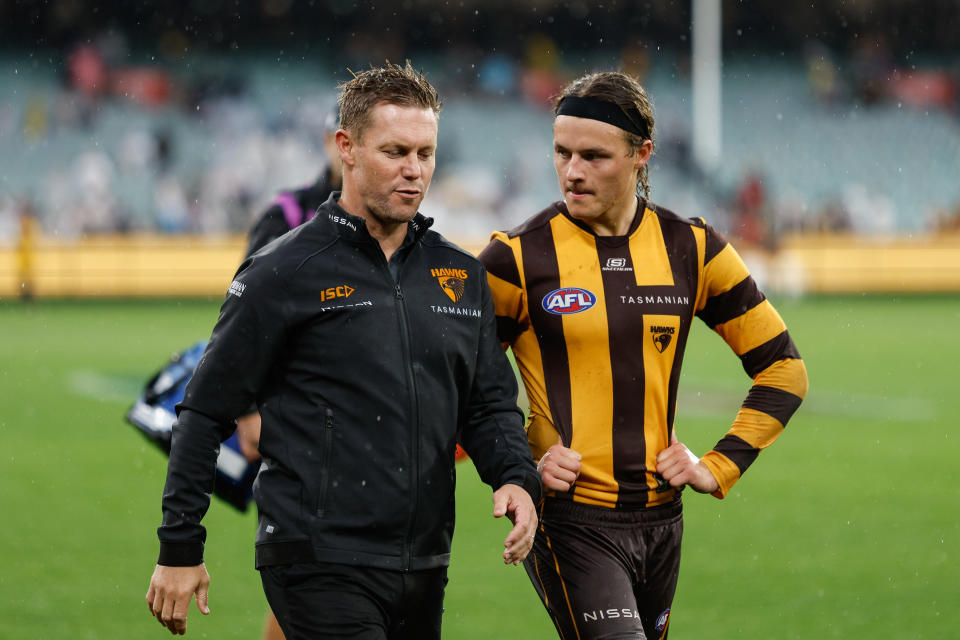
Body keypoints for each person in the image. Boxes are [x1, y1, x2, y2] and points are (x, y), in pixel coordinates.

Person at [145, 61, 541, 638]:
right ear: (346, 148)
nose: (414, 171)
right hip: (315, 557)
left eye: (425, 154)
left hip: (424, 561)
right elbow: (204, 412)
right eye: (395, 151)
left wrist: (514, 476)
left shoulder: (459, 274)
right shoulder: (283, 271)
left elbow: (488, 404)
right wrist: (180, 547)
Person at [478, 70, 809, 639]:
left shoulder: (694, 248)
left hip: (663, 521)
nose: (572, 171)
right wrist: (522, 461)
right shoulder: (515, 258)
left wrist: (719, 463)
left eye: (594, 156)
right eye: (561, 152)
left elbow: (784, 368)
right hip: (571, 520)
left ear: (642, 155)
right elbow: (463, 384)